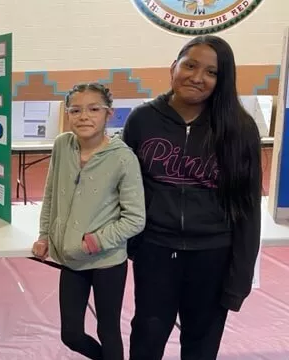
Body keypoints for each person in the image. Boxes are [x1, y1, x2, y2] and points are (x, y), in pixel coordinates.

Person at [123, 35, 262, 359]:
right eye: (190, 65)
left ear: (221, 80)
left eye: (211, 72)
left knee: (201, 345)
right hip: (156, 251)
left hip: (213, 254)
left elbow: (248, 208)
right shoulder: (142, 120)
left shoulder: (239, 129)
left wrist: (239, 278)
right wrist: (131, 245)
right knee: (147, 335)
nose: (197, 77)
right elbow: (123, 189)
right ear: (174, 67)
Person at [32, 82, 146, 359]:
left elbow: (135, 218)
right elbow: (50, 195)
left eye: (94, 109)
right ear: (67, 114)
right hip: (70, 259)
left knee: (108, 331)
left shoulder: (122, 158)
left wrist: (95, 241)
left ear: (109, 114)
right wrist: (45, 236)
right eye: (76, 110)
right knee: (70, 334)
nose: (84, 116)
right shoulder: (62, 145)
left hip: (106, 261)